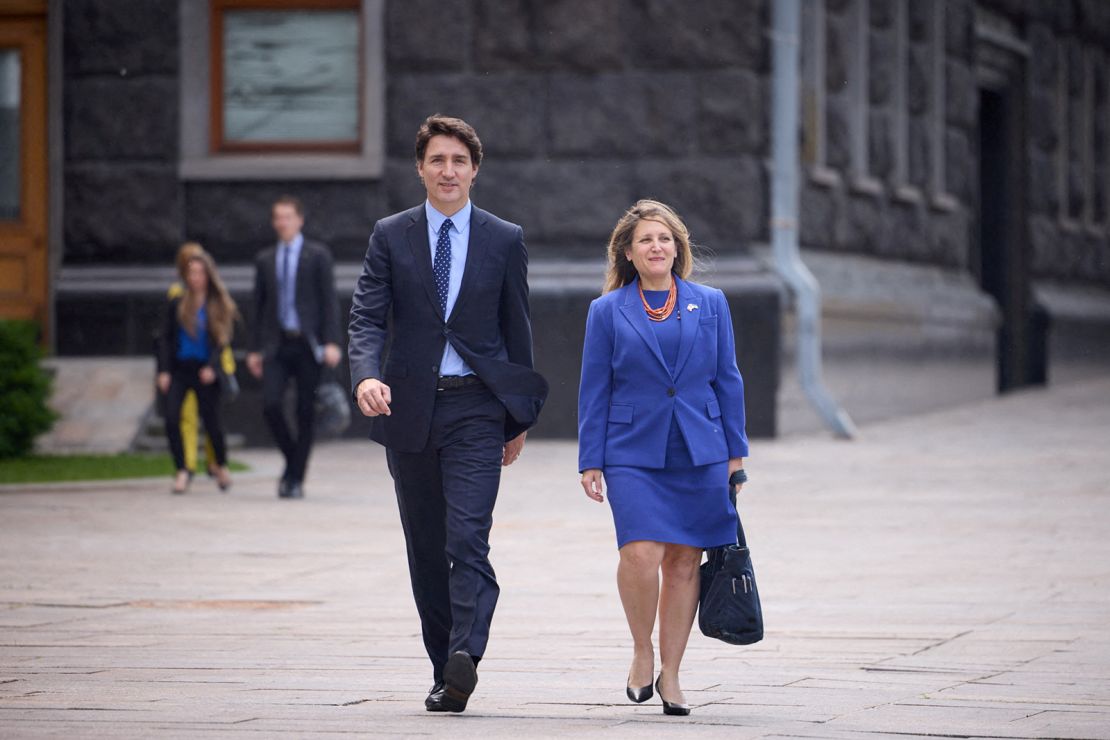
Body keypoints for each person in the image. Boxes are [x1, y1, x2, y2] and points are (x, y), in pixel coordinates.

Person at [348, 114, 547, 713]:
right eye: (437, 160)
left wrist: (518, 419)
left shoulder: (503, 238)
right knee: (426, 548)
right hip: (408, 410)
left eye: (459, 161)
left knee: (468, 536)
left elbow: (519, 334)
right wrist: (365, 375)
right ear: (420, 168)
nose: (448, 171)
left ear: (474, 169)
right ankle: (446, 671)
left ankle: (468, 650)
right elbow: (366, 317)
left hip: (477, 410)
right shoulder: (390, 234)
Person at [577, 200, 748, 717]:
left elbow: (728, 380)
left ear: (679, 248)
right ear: (628, 252)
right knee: (641, 554)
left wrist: (735, 456)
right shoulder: (607, 310)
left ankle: (672, 673)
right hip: (631, 449)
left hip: (699, 447)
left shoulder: (711, 303)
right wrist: (591, 459)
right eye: (647, 240)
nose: (657, 247)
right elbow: (594, 388)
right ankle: (641, 650)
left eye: (666, 239)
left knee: (682, 561)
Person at [246, 195, 343, 499]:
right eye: (278, 217)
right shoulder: (265, 260)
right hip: (276, 344)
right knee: (271, 405)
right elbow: (257, 306)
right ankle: (293, 462)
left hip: (308, 344)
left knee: (305, 410)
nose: (282, 223)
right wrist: (253, 349)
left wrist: (332, 342)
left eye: (288, 217)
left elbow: (329, 300)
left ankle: (295, 479)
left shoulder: (317, 255)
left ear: (299, 220)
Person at [157, 248, 238, 495]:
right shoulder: (177, 302)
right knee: (172, 418)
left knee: (212, 422)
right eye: (191, 273)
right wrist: (164, 371)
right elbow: (166, 338)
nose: (195, 278)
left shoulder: (217, 304)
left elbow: (222, 340)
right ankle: (182, 469)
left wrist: (213, 368)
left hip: (206, 370)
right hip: (181, 369)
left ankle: (221, 465)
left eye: (200, 273)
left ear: (208, 275)